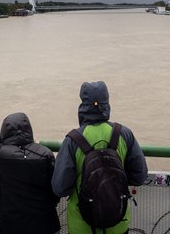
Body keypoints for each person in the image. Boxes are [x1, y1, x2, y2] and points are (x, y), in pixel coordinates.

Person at [51, 81, 148, 234]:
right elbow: (139, 177)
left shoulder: (72, 140)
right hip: (118, 223)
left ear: (83, 105)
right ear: (107, 104)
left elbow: (60, 188)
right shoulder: (124, 134)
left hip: (81, 226)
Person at [0, 112, 61, 234]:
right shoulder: (45, 153)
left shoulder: (0, 154)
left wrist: (3, 138)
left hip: (13, 225)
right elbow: (55, 189)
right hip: (45, 221)